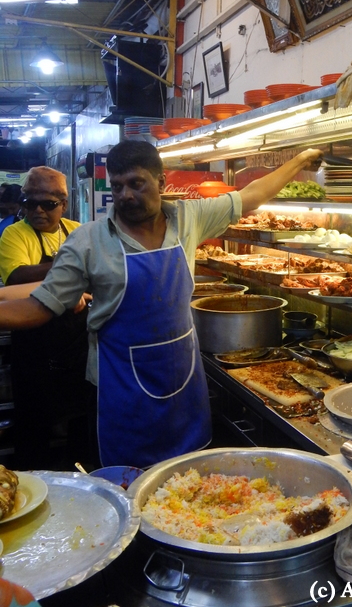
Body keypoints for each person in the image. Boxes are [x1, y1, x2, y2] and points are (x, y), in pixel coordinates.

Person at [0, 141, 323, 468]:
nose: (125, 195)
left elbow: (252, 194)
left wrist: (300, 159)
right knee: (127, 489)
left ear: (161, 182)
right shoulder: (88, 241)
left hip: (183, 385)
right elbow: (39, 306)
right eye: (117, 186)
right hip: (120, 392)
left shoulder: (189, 218)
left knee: (190, 488)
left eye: (136, 183)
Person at [0, 167, 94, 469]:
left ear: (63, 205)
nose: (37, 211)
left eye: (48, 204)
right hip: (34, 350)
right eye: (29, 203)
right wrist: (69, 268)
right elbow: (16, 277)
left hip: (75, 349)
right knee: (33, 431)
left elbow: (95, 274)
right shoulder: (14, 233)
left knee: (82, 427)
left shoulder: (78, 231)